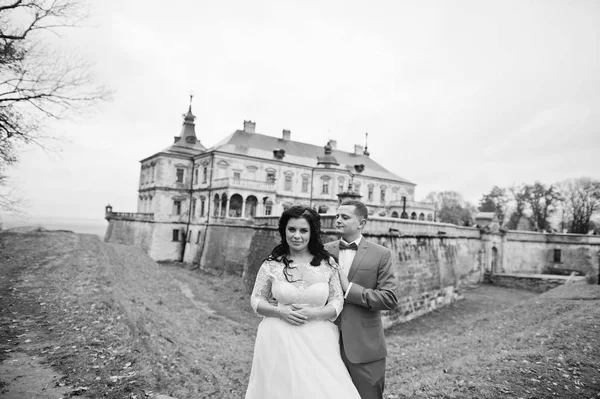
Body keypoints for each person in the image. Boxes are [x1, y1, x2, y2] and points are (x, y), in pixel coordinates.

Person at [245, 206, 361, 399]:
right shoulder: (271, 264)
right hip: (277, 338)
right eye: (292, 229)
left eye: (303, 230)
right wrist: (280, 312)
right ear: (284, 230)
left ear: (312, 232)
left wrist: (313, 314)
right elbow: (256, 299)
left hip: (318, 338)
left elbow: (337, 300)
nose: (297, 236)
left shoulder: (328, 264)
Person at [325, 199, 398, 399]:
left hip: (366, 348)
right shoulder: (324, 251)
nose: (338, 220)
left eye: (344, 217)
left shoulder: (381, 254)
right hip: (326, 344)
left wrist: (349, 289)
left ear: (362, 223)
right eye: (337, 216)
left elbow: (389, 299)